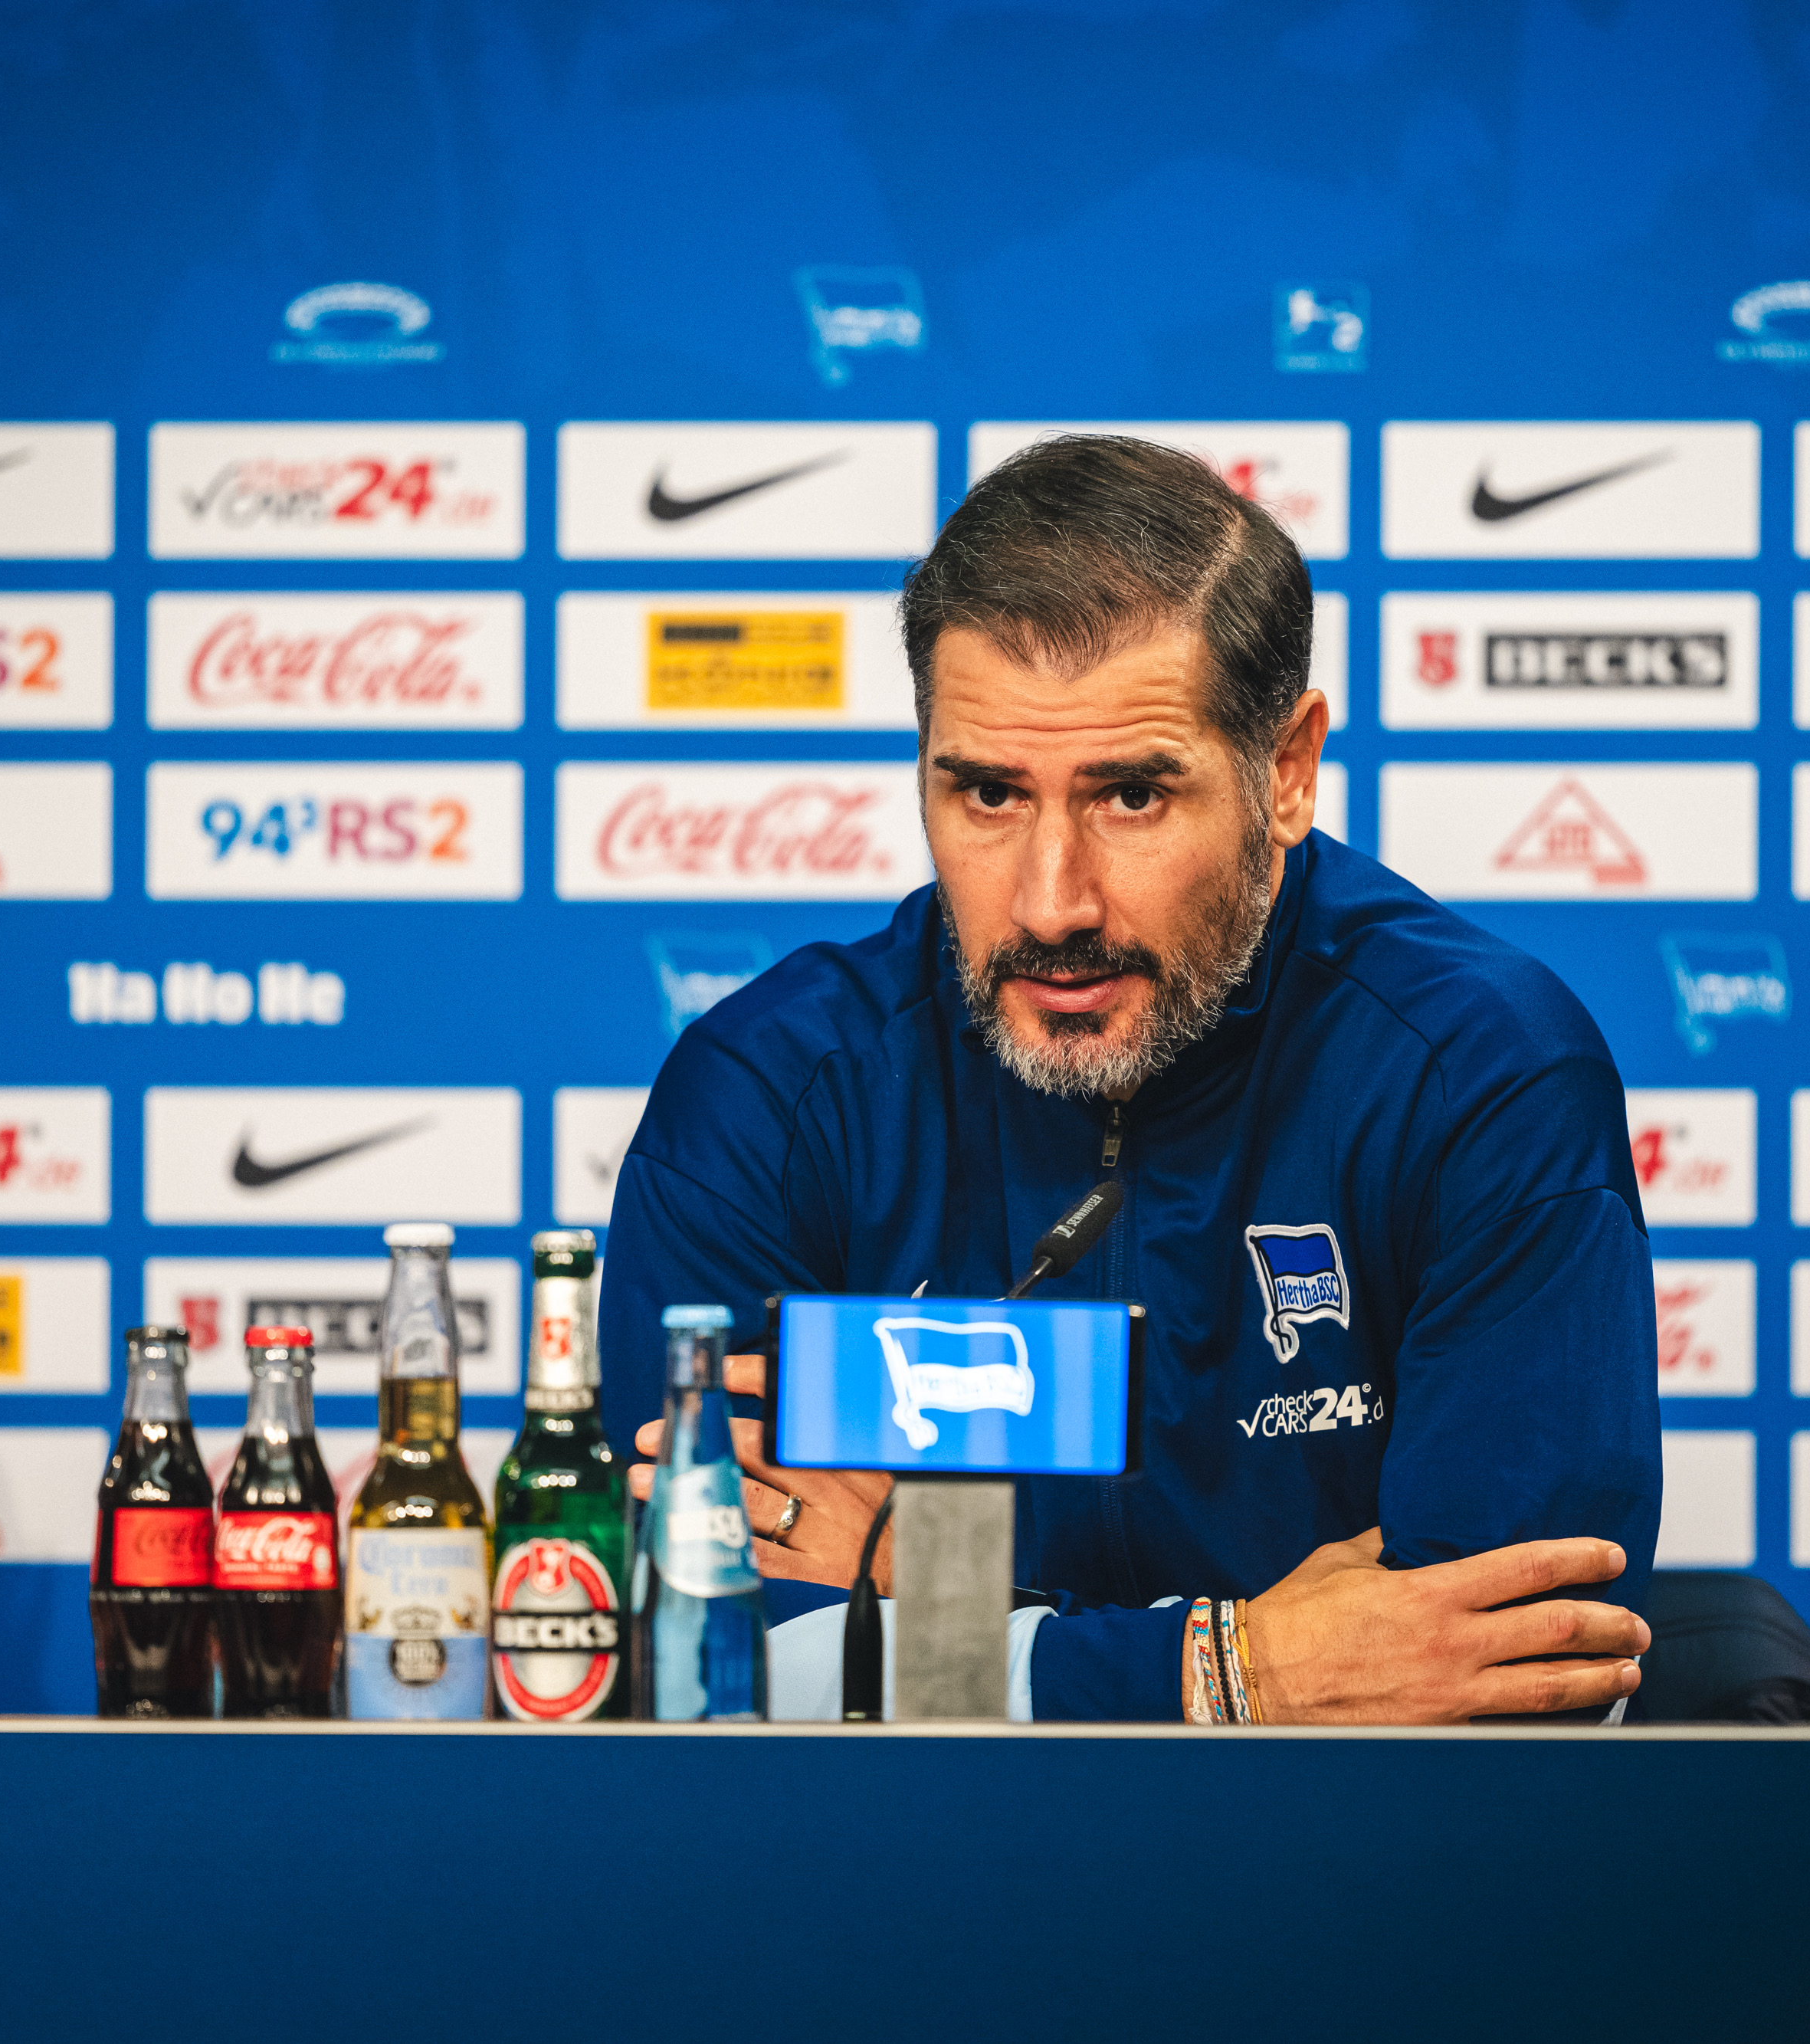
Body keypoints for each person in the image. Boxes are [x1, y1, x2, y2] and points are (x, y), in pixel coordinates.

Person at [603, 435, 1659, 1723]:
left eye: (1131, 798)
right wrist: (1239, 1667)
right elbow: (703, 1676)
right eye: (988, 794)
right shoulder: (771, 1094)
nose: (1051, 904)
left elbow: (1519, 1671)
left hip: (1357, 1904)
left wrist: (911, 1590)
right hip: (898, 1901)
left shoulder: (1479, 1075)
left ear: (1283, 771)